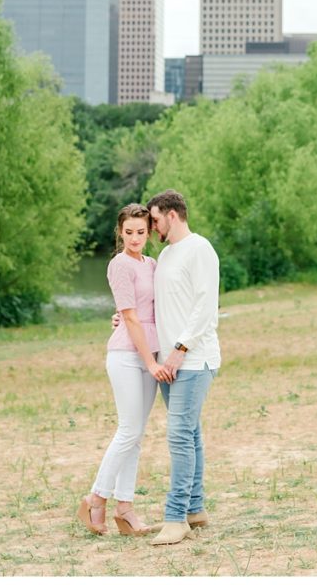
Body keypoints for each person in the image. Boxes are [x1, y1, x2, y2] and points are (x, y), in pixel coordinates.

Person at [77, 203, 169, 537]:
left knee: (136, 435)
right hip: (128, 356)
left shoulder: (152, 264)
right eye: (128, 232)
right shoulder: (119, 264)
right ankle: (95, 498)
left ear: (148, 231)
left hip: (151, 351)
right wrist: (149, 361)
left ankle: (125, 508)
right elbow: (129, 316)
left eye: (141, 232)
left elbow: (153, 308)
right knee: (128, 429)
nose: (134, 238)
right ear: (120, 232)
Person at [146, 189, 221, 547]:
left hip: (193, 359)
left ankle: (175, 519)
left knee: (178, 435)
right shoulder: (165, 254)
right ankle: (195, 508)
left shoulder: (199, 249)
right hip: (169, 362)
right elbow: (161, 305)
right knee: (189, 434)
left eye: (155, 219)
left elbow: (206, 306)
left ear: (172, 215)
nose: (151, 226)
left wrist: (180, 348)